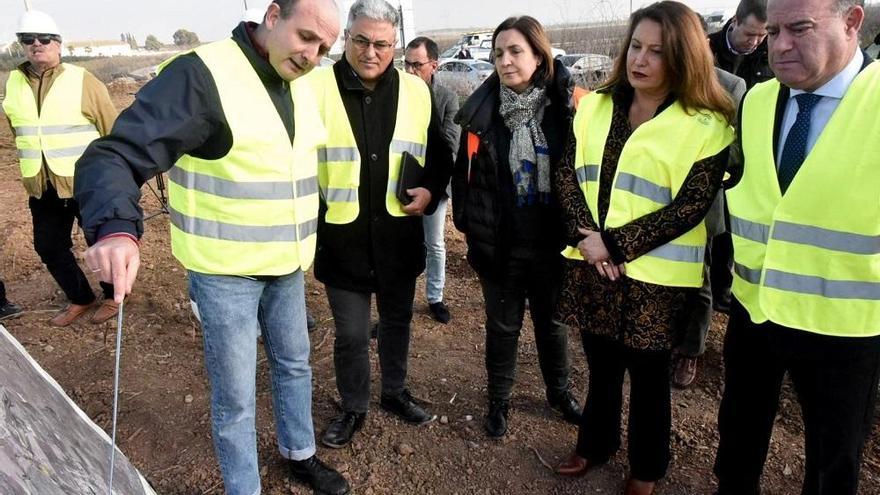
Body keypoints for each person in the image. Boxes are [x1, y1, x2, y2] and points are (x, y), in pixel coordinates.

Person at [73, 2, 349, 494]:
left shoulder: (303, 83)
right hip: (225, 275)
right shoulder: (201, 76)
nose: (312, 55)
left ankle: (299, 453)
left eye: (324, 48)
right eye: (306, 37)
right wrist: (115, 227)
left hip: (287, 265)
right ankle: (245, 488)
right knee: (236, 399)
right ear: (271, 15)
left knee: (294, 364)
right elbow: (116, 154)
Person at [552, 3, 735, 494]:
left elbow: (690, 207)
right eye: (636, 46)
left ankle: (646, 469)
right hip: (593, 264)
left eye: (657, 51)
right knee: (602, 368)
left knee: (650, 382)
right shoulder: (593, 104)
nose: (641, 59)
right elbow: (567, 175)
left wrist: (613, 244)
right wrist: (587, 240)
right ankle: (596, 444)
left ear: (683, 58)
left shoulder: (706, 125)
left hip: (656, 279)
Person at [714, 0, 879, 493]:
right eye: (774, 30)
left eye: (800, 29)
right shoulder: (759, 100)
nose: (780, 46)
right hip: (755, 310)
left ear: (852, 21)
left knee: (834, 457)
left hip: (844, 327)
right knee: (738, 435)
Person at [309, 0, 452, 450]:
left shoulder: (416, 91)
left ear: (396, 45)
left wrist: (430, 190)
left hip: (396, 238)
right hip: (342, 238)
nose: (372, 52)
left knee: (396, 322)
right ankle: (354, 405)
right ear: (346, 39)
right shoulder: (315, 86)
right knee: (351, 334)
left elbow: (439, 154)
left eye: (383, 44)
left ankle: (394, 392)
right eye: (362, 41)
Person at [451, 15, 582, 439]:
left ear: (539, 54)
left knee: (552, 325)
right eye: (498, 53)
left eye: (515, 51)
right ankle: (498, 402)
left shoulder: (569, 107)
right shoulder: (483, 114)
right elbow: (463, 179)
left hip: (553, 245)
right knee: (502, 327)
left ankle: (559, 394)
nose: (505, 61)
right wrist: (472, 227)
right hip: (502, 244)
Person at [2, 10, 118, 327]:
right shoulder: (13, 83)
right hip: (42, 184)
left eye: (43, 39)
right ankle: (81, 297)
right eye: (28, 40)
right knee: (48, 245)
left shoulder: (83, 80)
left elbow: (111, 130)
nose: (36, 45)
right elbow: (19, 131)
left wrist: (116, 176)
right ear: (21, 45)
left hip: (86, 181)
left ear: (58, 44)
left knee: (103, 242)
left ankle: (114, 295)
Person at [672, 15, 748, 389]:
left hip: (703, 205)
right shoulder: (659, 80)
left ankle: (691, 350)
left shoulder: (730, 86)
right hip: (652, 200)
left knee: (698, 281)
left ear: (703, 41)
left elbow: (736, 158)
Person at [707, 0, 772, 317]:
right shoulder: (710, 48)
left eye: (763, 35)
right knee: (716, 230)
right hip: (711, 147)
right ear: (735, 21)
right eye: (751, 34)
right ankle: (715, 286)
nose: (756, 41)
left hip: (747, 152)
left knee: (733, 230)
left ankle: (724, 289)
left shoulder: (769, 55)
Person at [404, 36, 460, 324]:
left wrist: (424, 102)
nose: (410, 71)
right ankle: (402, 299)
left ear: (433, 65)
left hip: (436, 185)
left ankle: (435, 297)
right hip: (403, 182)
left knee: (434, 243)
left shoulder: (447, 99)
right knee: (405, 243)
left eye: (416, 65)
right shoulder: (398, 95)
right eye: (406, 63)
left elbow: (450, 144)